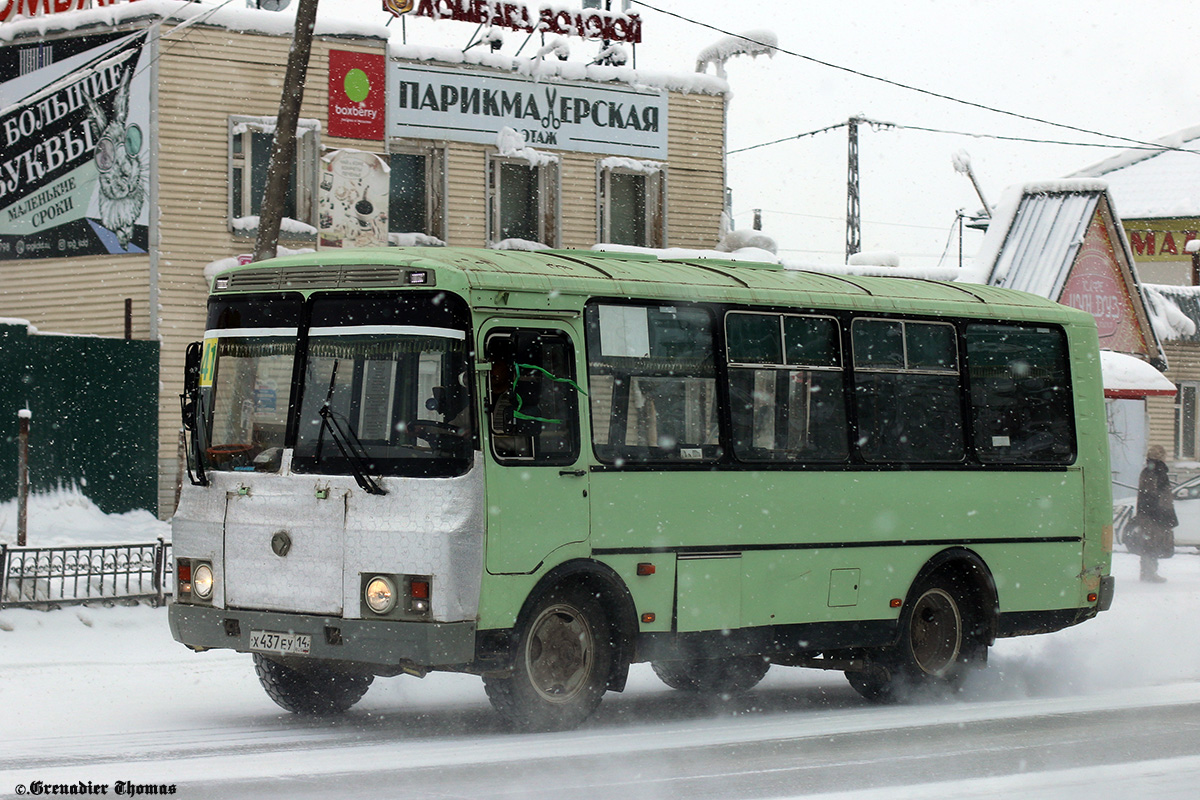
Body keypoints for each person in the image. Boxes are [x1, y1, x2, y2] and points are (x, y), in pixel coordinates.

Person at [1134, 445, 1177, 582]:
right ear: (1161, 456)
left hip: (1150, 513)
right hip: (1154, 514)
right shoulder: (1156, 472)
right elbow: (1155, 495)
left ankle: (1148, 572)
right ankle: (1149, 573)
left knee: (1151, 543)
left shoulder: (1150, 471)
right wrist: (1161, 513)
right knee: (1152, 543)